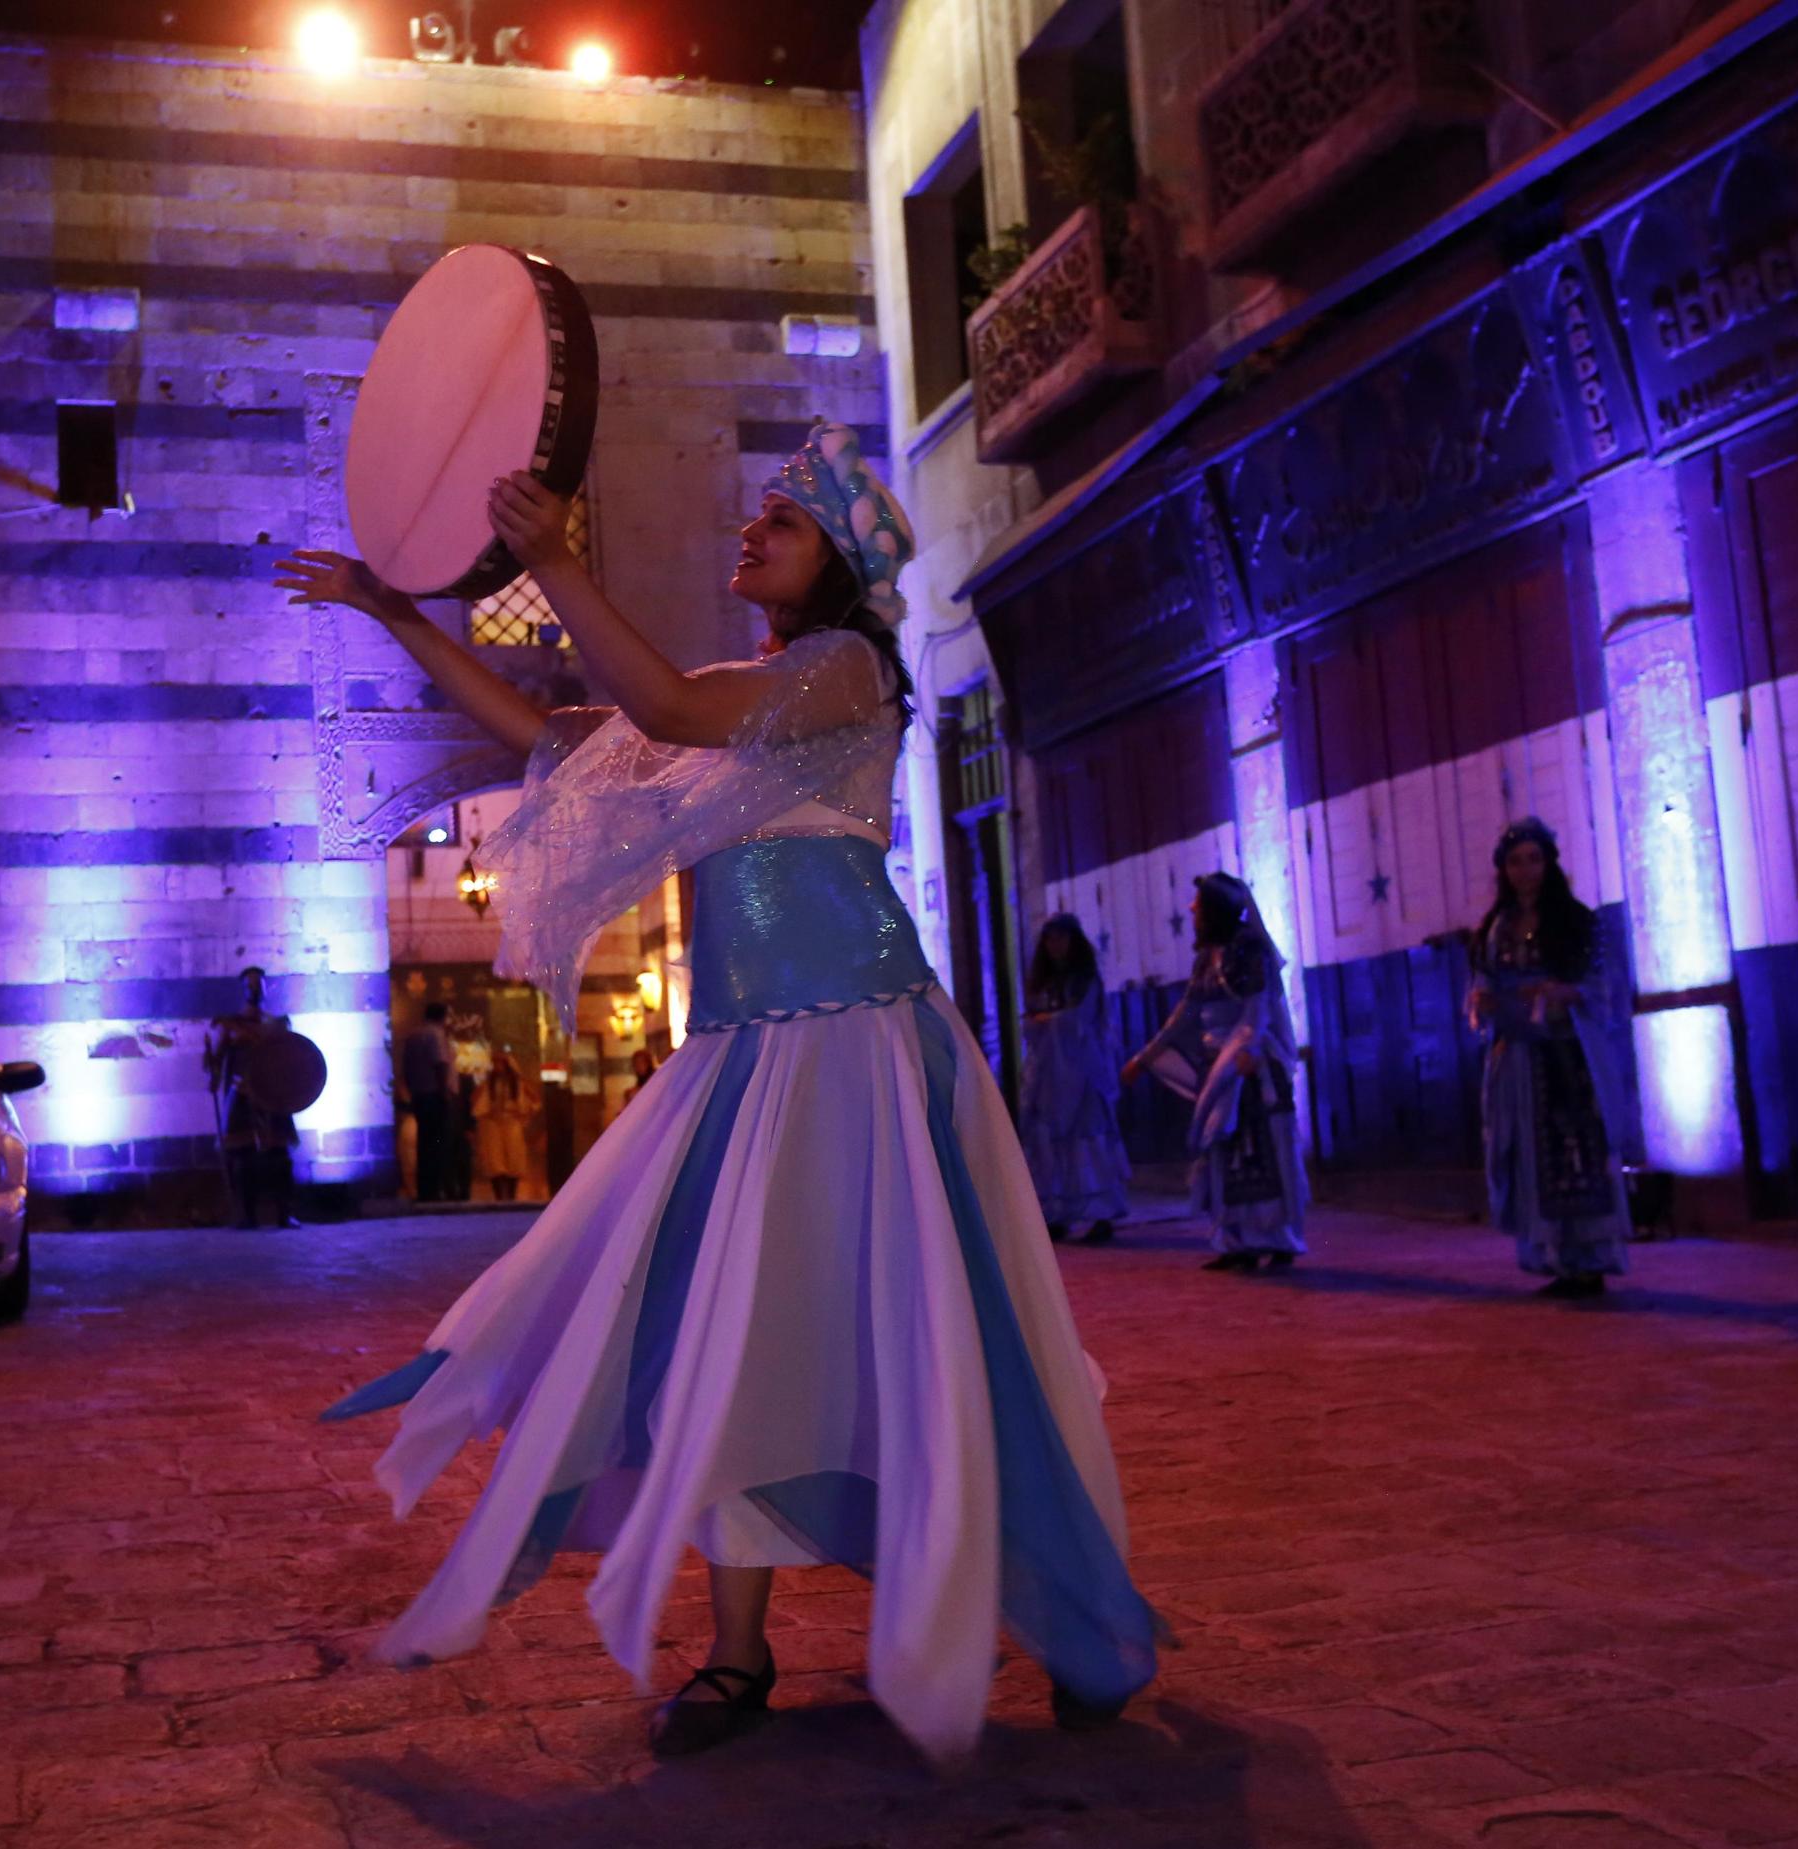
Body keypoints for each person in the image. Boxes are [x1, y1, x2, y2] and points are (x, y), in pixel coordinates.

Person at [287, 420, 1152, 1764]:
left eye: (783, 521)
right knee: (721, 1337)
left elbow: (668, 712)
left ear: (842, 564)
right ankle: (736, 1654)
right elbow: (544, 731)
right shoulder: (743, 700)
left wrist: (558, 564)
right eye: (757, 515)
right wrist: (398, 610)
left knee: (932, 1339)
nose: (753, 533)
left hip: (860, 1050)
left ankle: (1061, 1613)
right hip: (747, 1059)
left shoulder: (846, 674)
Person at [1465, 818, 1641, 1299]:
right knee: (1529, 1156)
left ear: (1549, 864)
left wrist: (1565, 992)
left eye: (1534, 859)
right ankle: (1557, 1260)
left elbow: (1605, 988)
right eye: (1516, 861)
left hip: (1568, 1058)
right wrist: (1484, 1004)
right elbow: (1481, 984)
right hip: (1520, 1060)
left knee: (1575, 1153)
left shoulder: (1576, 922)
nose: (1526, 870)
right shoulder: (1494, 929)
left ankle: (1590, 1260)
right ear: (1503, 869)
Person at [1125, 873, 1310, 1274]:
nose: (1191, 910)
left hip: (1251, 1064)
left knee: (1265, 1153)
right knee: (1223, 1154)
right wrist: (1145, 1057)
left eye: (1199, 904)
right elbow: (1186, 1015)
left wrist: (1249, 1050)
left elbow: (1258, 1009)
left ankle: (1278, 1239)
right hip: (1219, 1065)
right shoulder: (1206, 959)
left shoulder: (1250, 951)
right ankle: (1235, 1241)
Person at [1017, 914, 1127, 1244]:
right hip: (1049, 1075)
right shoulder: (1044, 983)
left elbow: (1079, 1022)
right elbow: (1031, 1024)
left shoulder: (1086, 980)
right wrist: (1040, 1023)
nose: (1055, 946)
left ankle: (1102, 1213)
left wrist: (1047, 1021)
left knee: (1088, 1143)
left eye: (1061, 939)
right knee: (1049, 1144)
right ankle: (1057, 1213)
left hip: (1081, 1072)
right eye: (1050, 940)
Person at [204, 965, 302, 1228]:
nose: (255, 989)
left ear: (267, 988)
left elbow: (290, 1058)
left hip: (273, 1095)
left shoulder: (276, 1025)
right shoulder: (231, 1026)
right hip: (243, 1096)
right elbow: (217, 1061)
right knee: (243, 1159)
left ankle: (284, 1213)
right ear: (243, 989)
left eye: (259, 984)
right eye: (250, 985)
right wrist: (211, 1064)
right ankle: (246, 1215)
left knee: (280, 1158)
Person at [399, 1001, 458, 1201]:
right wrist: (444, 1093)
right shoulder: (436, 1034)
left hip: (419, 1095)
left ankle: (425, 1190)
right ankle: (437, 1190)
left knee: (425, 1144)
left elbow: (406, 1068)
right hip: (434, 1095)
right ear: (442, 1016)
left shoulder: (413, 1035)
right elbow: (440, 1064)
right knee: (439, 1144)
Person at [471, 1047, 540, 1202]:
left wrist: (523, 1113)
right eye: (495, 1062)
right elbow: (478, 1102)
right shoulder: (489, 1083)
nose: (497, 1066)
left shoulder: (518, 1083)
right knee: (495, 1160)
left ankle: (511, 1196)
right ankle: (499, 1197)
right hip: (492, 1124)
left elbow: (534, 1100)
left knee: (513, 1158)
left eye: (500, 1062)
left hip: (511, 1123)